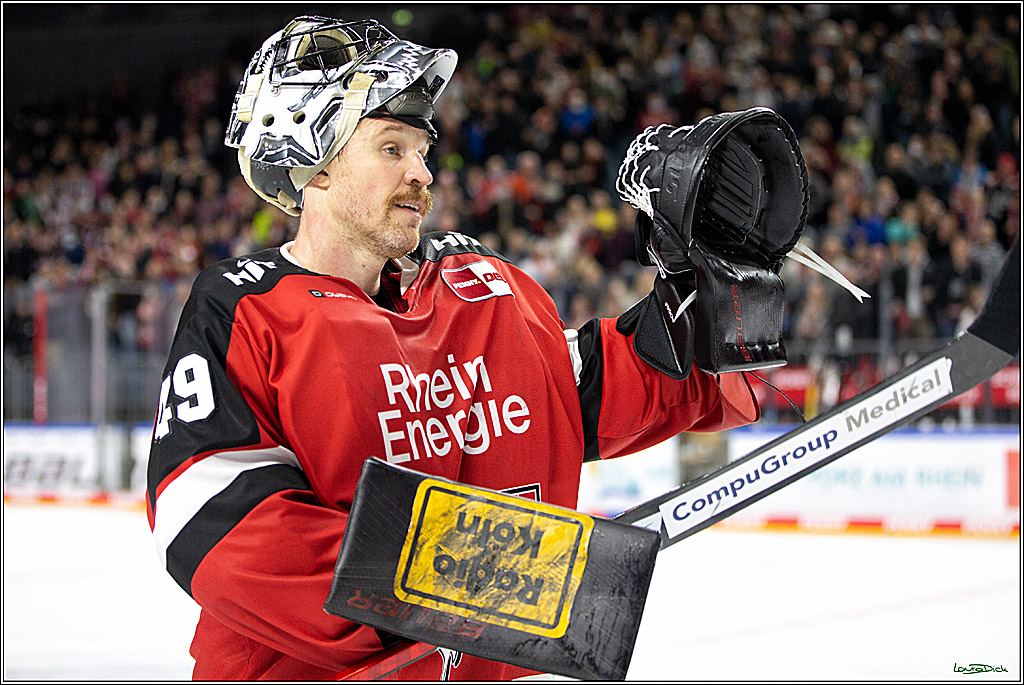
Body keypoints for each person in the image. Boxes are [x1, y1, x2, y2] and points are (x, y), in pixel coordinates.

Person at [146, 16, 760, 681]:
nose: (422, 172)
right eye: (390, 148)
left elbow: (594, 388)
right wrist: (470, 583)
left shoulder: (483, 292)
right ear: (313, 164)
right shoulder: (244, 310)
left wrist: (711, 290)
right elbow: (212, 518)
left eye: (421, 150)